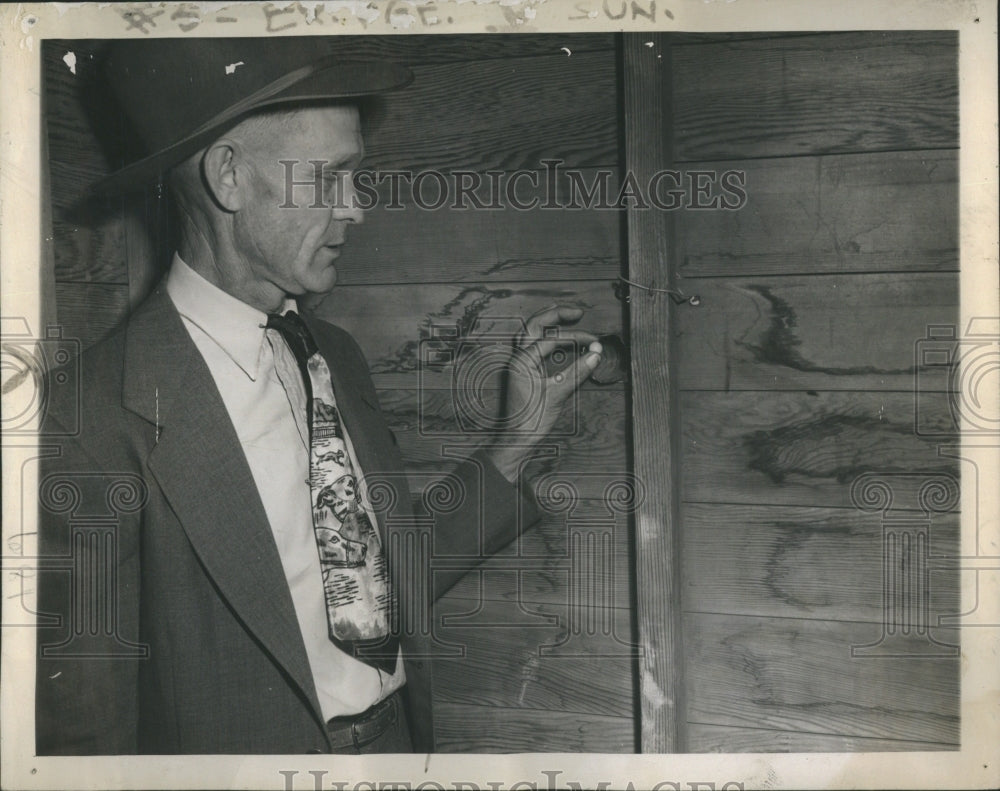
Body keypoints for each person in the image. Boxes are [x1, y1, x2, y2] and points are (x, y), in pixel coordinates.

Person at [35, 37, 602, 755]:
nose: (356, 208)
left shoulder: (334, 353)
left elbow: (372, 580)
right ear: (229, 176)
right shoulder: (85, 416)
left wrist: (515, 440)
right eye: (331, 178)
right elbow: (84, 735)